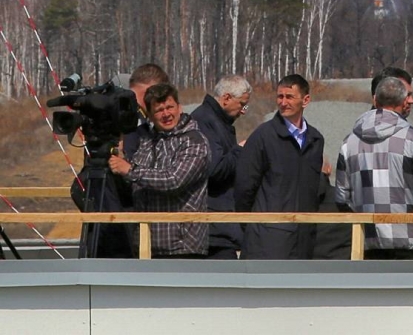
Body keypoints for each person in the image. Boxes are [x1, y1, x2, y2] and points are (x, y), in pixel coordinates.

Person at [71, 62, 170, 258]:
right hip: (117, 207)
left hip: (107, 201)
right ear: (151, 90)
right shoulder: (128, 120)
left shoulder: (111, 112)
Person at [336, 76, 413, 259]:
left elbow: (342, 199)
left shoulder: (349, 142)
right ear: (403, 101)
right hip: (409, 240)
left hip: (366, 241)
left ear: (375, 100)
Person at [109, 83, 211, 258]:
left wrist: (130, 170)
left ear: (179, 107)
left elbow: (174, 180)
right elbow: (131, 183)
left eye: (170, 107)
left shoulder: (194, 141)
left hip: (183, 247)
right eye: (159, 110)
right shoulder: (146, 141)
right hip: (145, 243)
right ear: (149, 114)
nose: (166, 114)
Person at [235, 73, 324, 259]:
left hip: (304, 240)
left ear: (305, 100)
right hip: (268, 241)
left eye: (289, 97)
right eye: (280, 96)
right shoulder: (263, 137)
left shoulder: (315, 140)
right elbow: (244, 188)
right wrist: (257, 225)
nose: (283, 102)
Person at [191, 75, 252, 259]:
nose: (243, 111)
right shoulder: (205, 121)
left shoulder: (216, 122)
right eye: (242, 104)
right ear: (226, 98)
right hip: (211, 225)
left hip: (218, 225)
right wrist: (240, 150)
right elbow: (215, 169)